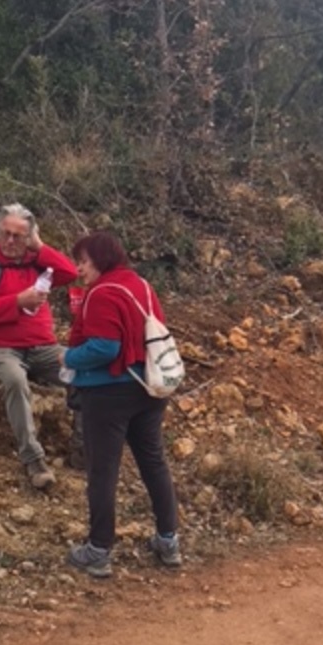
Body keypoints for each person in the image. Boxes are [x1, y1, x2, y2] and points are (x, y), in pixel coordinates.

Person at [61, 230, 181, 579]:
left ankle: (98, 551)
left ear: (100, 259)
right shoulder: (140, 285)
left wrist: (67, 356)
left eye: (84, 261)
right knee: (154, 462)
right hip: (149, 389)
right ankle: (168, 541)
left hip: (108, 394)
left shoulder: (102, 294)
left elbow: (105, 348)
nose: (80, 269)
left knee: (103, 472)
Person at [0, 203, 79, 490]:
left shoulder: (36, 262)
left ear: (29, 237)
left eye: (18, 236)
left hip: (43, 347)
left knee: (83, 369)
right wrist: (17, 302)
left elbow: (69, 272)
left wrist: (40, 247)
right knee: (16, 381)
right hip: (2, 348)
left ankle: (84, 449)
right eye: (6, 233)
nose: (10, 241)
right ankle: (33, 459)